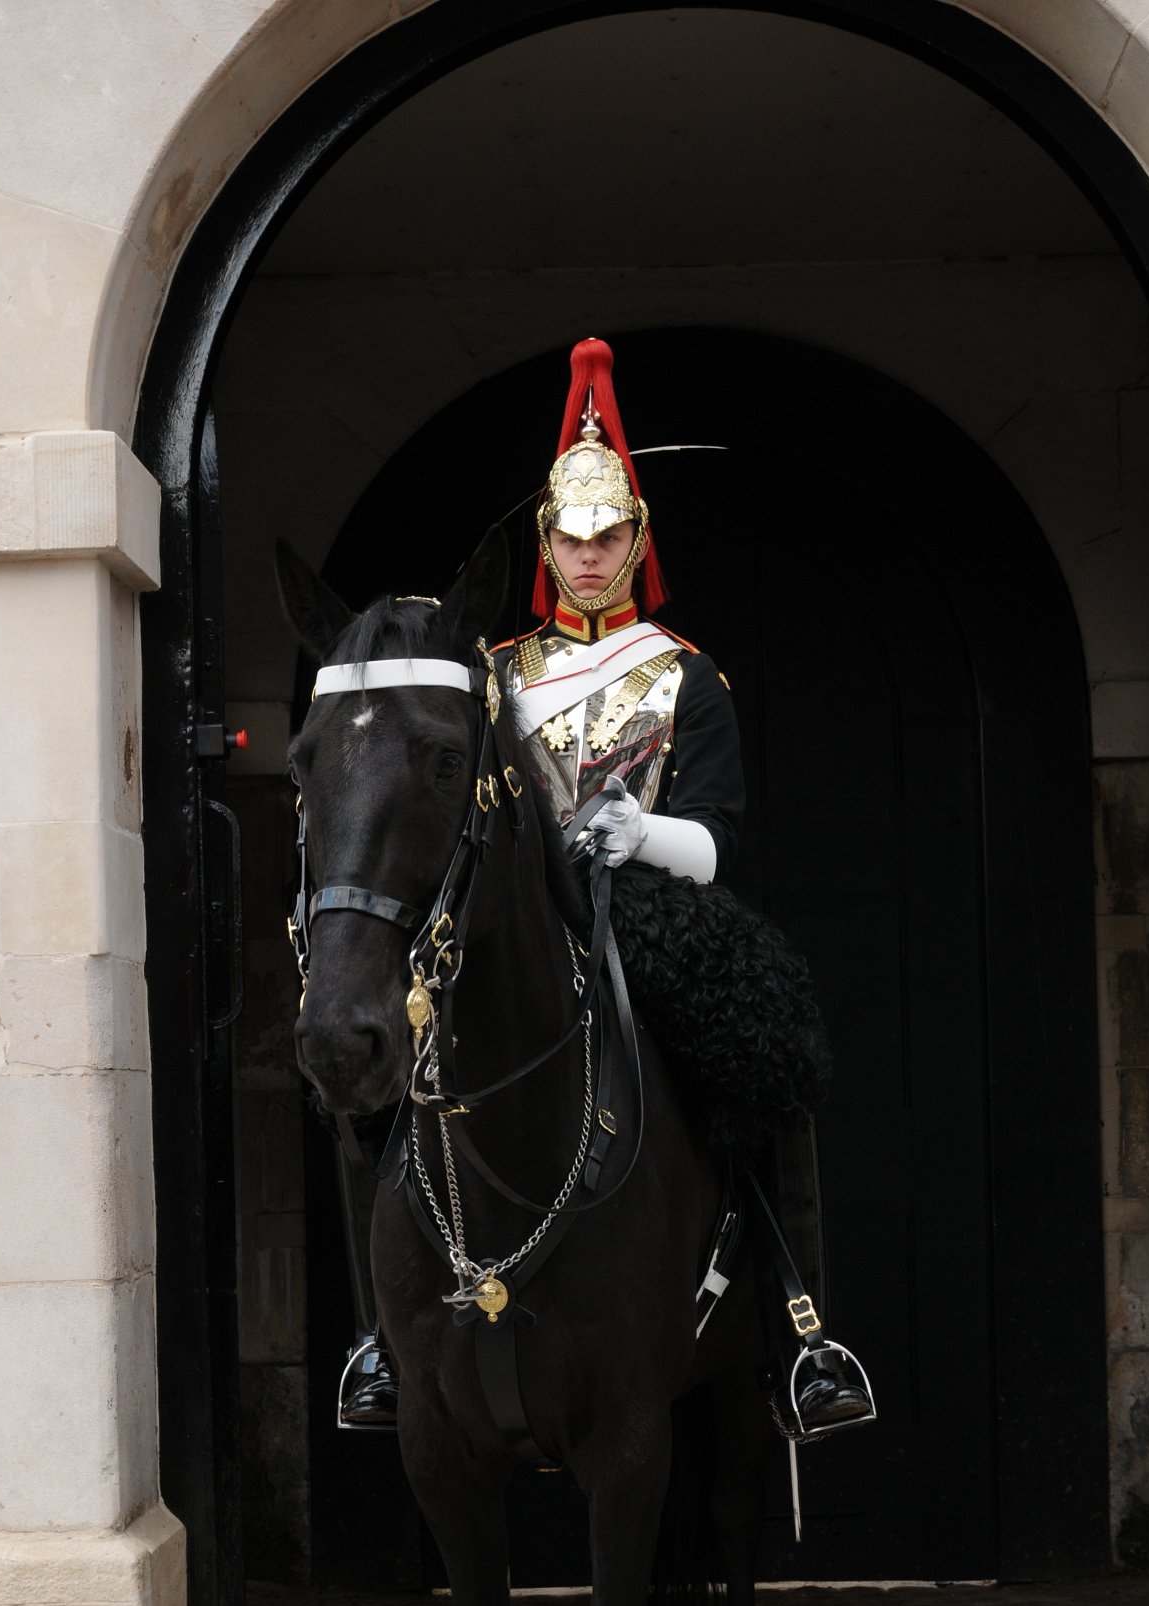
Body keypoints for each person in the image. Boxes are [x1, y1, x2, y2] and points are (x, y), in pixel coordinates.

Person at [339, 336, 873, 1443]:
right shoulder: (492, 675)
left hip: (647, 907)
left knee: (762, 1056)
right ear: (546, 541)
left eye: (609, 534)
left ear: (637, 539)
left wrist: (641, 833)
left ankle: (801, 1328)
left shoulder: (685, 675)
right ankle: (378, 1340)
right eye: (571, 537)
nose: (590, 555)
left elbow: (722, 843)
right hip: (506, 917)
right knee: (372, 1060)